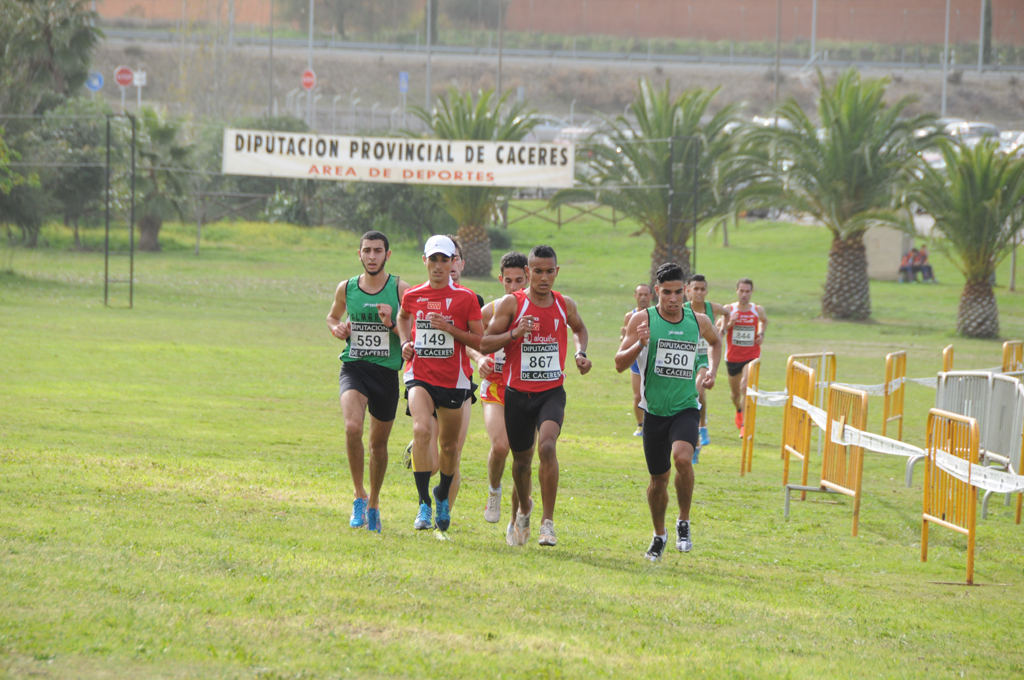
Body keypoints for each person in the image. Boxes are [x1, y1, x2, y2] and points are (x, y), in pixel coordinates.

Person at [480, 245, 592, 547]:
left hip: (551, 393)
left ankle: (548, 523)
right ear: (528, 272)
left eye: (550, 271)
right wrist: (514, 334)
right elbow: (486, 342)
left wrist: (581, 353)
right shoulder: (511, 305)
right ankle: (524, 509)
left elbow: (580, 329)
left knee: (547, 446)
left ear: (557, 272)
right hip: (517, 395)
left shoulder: (564, 304)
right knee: (520, 463)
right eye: (538, 271)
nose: (544, 277)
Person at [615, 262, 722, 561]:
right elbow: (619, 363)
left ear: (686, 291)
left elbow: (715, 342)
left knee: (683, 459)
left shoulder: (697, 320)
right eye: (667, 293)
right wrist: (639, 344)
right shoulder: (643, 319)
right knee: (658, 482)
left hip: (686, 407)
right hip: (655, 413)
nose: (673, 299)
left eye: (678, 292)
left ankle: (683, 521)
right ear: (657, 291)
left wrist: (712, 370)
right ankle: (659, 534)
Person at [396, 235, 483, 533]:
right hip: (419, 374)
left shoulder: (466, 298)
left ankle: (441, 495)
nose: (438, 265)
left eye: (444, 260)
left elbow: (479, 340)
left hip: (454, 380)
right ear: (425, 261)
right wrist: (405, 342)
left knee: (448, 446)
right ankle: (423, 503)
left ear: (453, 262)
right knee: (420, 430)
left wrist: (450, 329)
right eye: (433, 259)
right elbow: (403, 316)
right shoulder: (413, 295)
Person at [326, 230, 410, 533]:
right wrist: (338, 329)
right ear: (359, 254)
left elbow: (410, 335)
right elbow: (333, 317)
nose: (372, 256)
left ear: (387, 255)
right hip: (354, 367)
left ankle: (374, 502)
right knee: (352, 427)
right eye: (366, 251)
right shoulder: (346, 288)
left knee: (378, 444)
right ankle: (358, 495)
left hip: (386, 373)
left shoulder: (401, 289)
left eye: (377, 251)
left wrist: (391, 324)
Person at [479, 252, 530, 544]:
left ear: (529, 277)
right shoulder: (490, 311)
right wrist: (479, 360)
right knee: (500, 446)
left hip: (527, 391)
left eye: (519, 281)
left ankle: (515, 520)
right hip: (496, 388)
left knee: (522, 461)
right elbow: (474, 341)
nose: (513, 287)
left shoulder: (539, 310)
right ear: (500, 280)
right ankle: (494, 492)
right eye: (508, 281)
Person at [683, 274, 731, 461]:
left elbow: (727, 313)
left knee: (698, 391)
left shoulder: (712, 308)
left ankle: (701, 428)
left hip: (704, 358)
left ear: (706, 291)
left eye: (702, 289)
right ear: (689, 291)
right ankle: (694, 442)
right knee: (691, 397)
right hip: (687, 358)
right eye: (695, 289)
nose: (699, 292)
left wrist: (722, 330)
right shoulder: (683, 309)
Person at [722, 278, 768, 436]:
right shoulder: (728, 309)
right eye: (741, 291)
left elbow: (764, 320)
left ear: (751, 292)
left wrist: (761, 333)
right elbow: (716, 329)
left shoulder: (757, 309)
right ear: (736, 291)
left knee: (744, 387)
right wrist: (729, 323)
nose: (744, 294)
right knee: (735, 394)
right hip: (733, 358)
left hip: (752, 356)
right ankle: (739, 410)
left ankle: (744, 425)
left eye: (747, 291)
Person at [620, 284, 654, 437]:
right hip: (635, 358)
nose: (643, 298)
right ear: (635, 296)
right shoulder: (630, 316)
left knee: (651, 393)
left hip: (652, 358)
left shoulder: (655, 314)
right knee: (637, 395)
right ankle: (640, 426)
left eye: (646, 295)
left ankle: (652, 423)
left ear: (651, 296)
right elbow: (625, 340)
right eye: (640, 294)